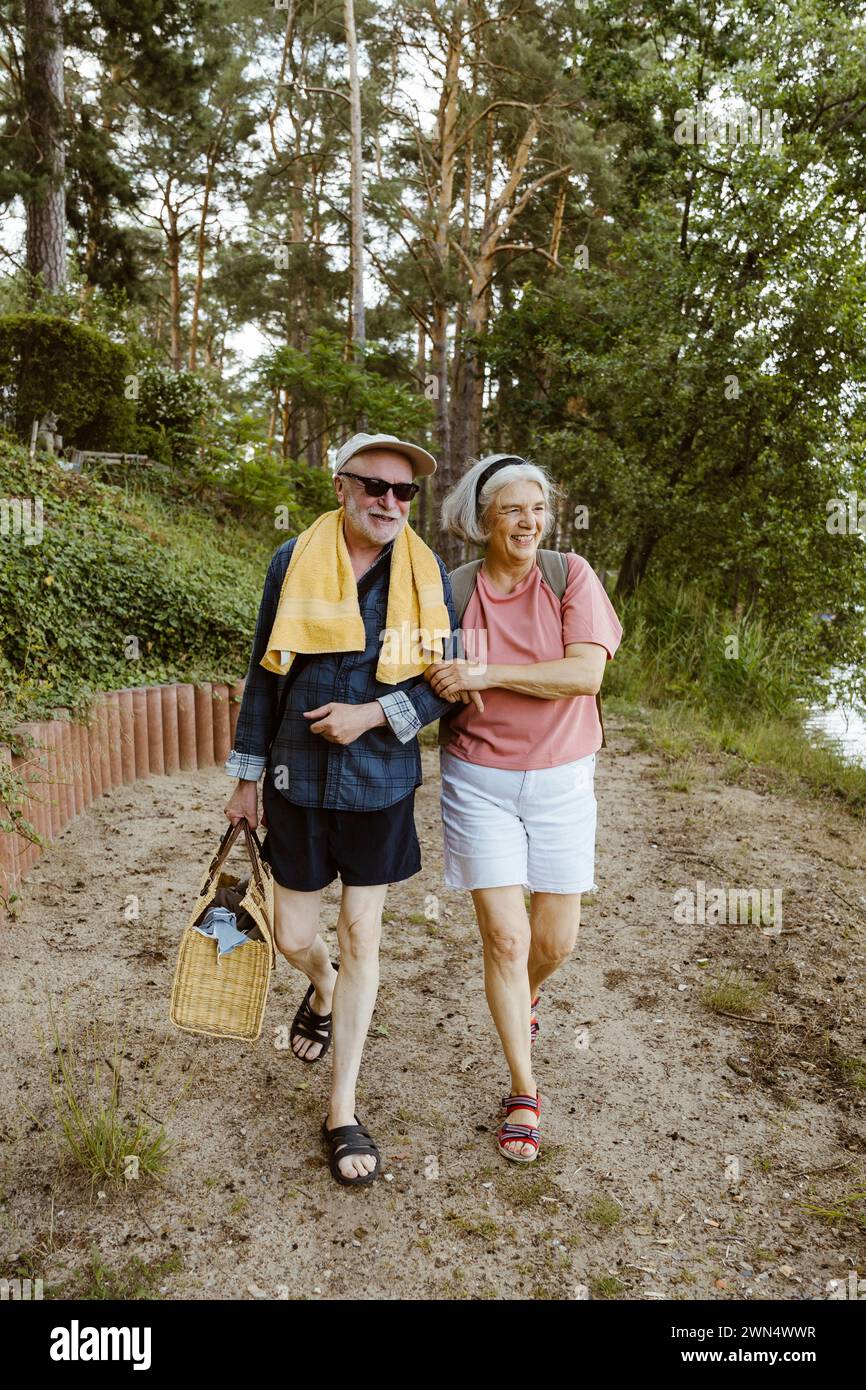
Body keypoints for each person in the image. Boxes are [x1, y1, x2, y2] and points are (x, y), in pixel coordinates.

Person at [223, 432, 474, 1186]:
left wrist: (373, 715)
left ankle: (342, 1106)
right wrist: (245, 775)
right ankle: (322, 986)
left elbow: (444, 682)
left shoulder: (427, 575)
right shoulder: (291, 560)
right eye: (376, 487)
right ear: (342, 486)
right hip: (296, 781)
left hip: (380, 780)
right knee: (296, 932)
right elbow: (265, 670)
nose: (390, 503)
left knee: (363, 932)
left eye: (405, 494)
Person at [425, 454, 623, 1163]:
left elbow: (585, 672)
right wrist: (439, 675)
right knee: (506, 941)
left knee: (554, 943)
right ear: (482, 521)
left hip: (564, 778)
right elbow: (423, 665)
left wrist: (490, 673)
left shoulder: (570, 576)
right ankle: (523, 1089)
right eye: (512, 510)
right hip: (478, 778)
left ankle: (522, 999)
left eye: (537, 508)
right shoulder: (451, 590)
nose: (528, 522)